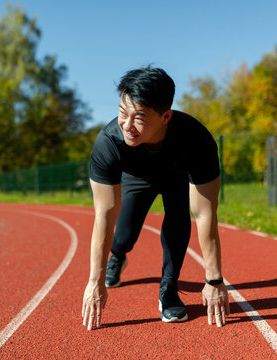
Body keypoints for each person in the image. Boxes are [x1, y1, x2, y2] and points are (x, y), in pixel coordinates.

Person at [81, 67, 230, 331]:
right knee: (124, 234)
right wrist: (95, 281)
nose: (127, 125)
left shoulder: (196, 140)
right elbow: (104, 215)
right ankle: (118, 256)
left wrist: (214, 280)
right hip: (135, 179)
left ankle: (169, 290)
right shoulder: (108, 144)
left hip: (177, 176)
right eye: (122, 113)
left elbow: (205, 213)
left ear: (166, 116)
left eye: (139, 117)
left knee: (178, 220)